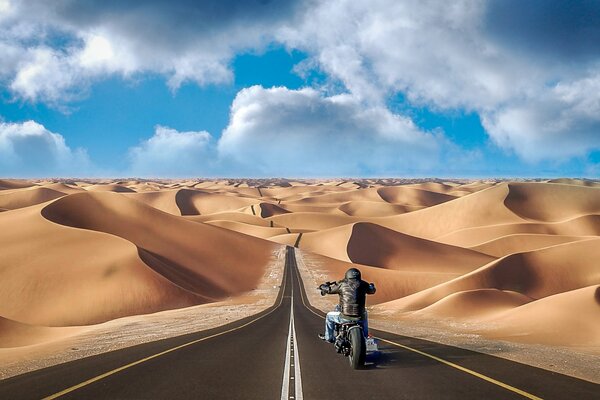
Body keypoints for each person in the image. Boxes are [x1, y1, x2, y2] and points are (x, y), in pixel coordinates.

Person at [317, 267, 376, 343]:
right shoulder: (363, 284)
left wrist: (322, 286)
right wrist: (372, 286)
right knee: (365, 313)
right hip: (359, 317)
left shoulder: (342, 284)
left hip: (344, 317)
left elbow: (329, 290)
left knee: (329, 316)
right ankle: (365, 335)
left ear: (347, 275)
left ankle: (329, 337)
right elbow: (372, 291)